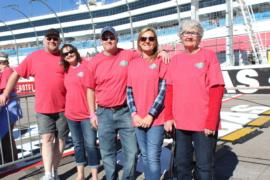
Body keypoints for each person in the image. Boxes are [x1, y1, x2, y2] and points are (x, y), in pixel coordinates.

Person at [0, 29, 69, 180]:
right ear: (44, 40)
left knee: (61, 141)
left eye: (55, 38)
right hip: (44, 108)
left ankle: (55, 170)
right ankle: (48, 174)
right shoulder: (34, 57)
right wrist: (5, 93)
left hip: (65, 107)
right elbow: (15, 75)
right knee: (47, 139)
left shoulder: (65, 56)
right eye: (49, 38)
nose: (52, 41)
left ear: (59, 40)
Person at [164, 20, 225, 180]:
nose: (189, 36)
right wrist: (168, 117)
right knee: (181, 166)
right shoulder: (175, 60)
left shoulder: (208, 56)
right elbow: (169, 90)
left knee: (204, 168)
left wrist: (211, 122)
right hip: (180, 123)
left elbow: (216, 89)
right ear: (180, 36)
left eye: (193, 33)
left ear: (200, 37)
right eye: (185, 32)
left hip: (203, 124)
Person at [126, 27, 167, 180]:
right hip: (137, 119)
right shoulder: (133, 63)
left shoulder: (161, 61)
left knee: (153, 157)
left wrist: (151, 115)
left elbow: (163, 91)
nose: (147, 41)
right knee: (144, 156)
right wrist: (134, 114)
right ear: (139, 42)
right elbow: (129, 90)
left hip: (155, 119)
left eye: (151, 38)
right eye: (144, 39)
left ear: (155, 42)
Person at [60, 44, 100, 180]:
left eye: (71, 51)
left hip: (87, 115)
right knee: (78, 145)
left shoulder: (87, 66)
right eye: (65, 54)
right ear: (63, 58)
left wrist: (93, 112)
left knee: (91, 144)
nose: (69, 55)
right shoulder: (65, 71)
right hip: (71, 115)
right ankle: (81, 174)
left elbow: (94, 90)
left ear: (76, 52)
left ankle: (94, 175)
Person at [0, 52, 22, 164]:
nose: (1, 64)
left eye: (3, 62)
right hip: (7, 108)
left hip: (8, 108)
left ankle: (10, 162)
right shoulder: (5, 71)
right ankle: (10, 161)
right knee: (6, 136)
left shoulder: (7, 71)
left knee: (6, 137)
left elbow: (3, 89)